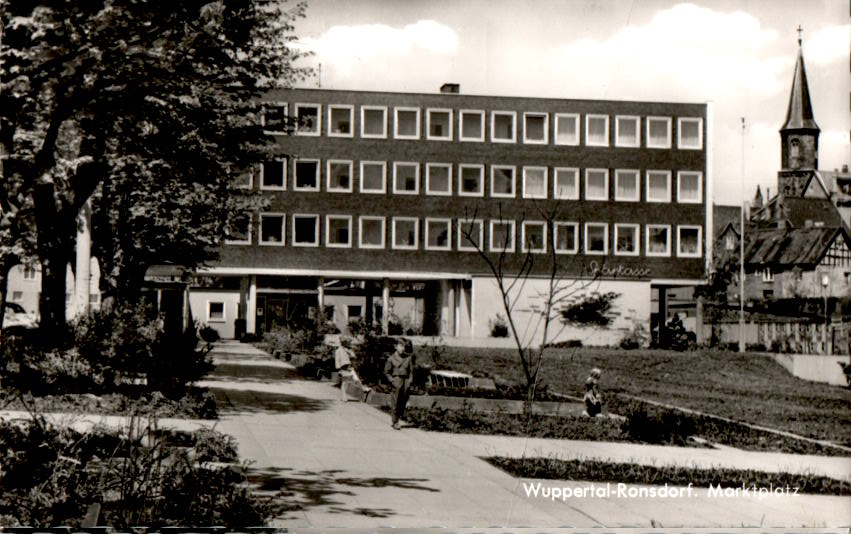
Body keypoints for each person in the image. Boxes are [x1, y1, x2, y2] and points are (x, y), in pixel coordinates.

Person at [384, 338, 414, 429]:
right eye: (401, 346)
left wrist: (409, 381)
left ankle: (398, 418)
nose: (403, 348)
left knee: (403, 402)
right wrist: (392, 381)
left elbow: (411, 372)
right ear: (396, 347)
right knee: (395, 401)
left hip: (405, 382)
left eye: (404, 346)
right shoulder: (391, 359)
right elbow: (386, 372)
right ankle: (395, 421)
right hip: (396, 381)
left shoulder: (408, 358)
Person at [330, 336, 368, 401]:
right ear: (341, 342)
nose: (345, 343)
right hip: (343, 367)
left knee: (355, 378)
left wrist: (350, 352)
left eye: (345, 342)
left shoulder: (347, 349)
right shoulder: (338, 350)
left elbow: (353, 356)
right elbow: (337, 360)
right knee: (345, 382)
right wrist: (338, 369)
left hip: (349, 366)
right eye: (343, 342)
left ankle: (363, 388)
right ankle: (344, 397)